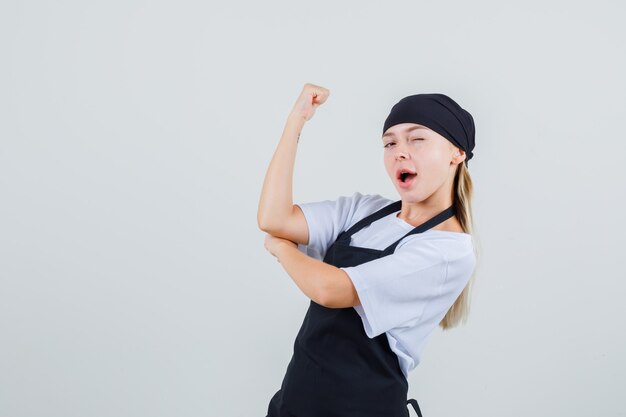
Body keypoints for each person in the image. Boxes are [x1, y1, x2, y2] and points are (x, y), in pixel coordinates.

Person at [258, 83, 478, 417]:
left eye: (417, 138)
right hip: (295, 404)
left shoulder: (449, 251)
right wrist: (295, 123)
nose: (399, 152)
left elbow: (331, 289)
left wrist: (281, 247)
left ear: (456, 153)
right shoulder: (365, 211)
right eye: (390, 143)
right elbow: (274, 217)